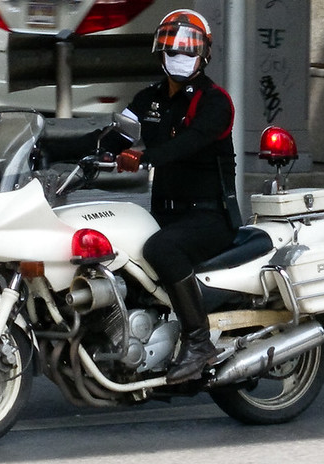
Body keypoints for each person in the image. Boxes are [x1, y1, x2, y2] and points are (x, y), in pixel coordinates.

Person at [114, 9, 239, 384]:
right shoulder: (149, 99)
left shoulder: (215, 102)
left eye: (188, 52)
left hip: (210, 218)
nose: (180, 58)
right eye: (172, 50)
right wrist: (56, 150)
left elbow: (189, 142)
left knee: (160, 250)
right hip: (165, 215)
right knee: (117, 251)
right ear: (159, 52)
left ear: (204, 56)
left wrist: (145, 155)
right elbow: (116, 134)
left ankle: (199, 342)